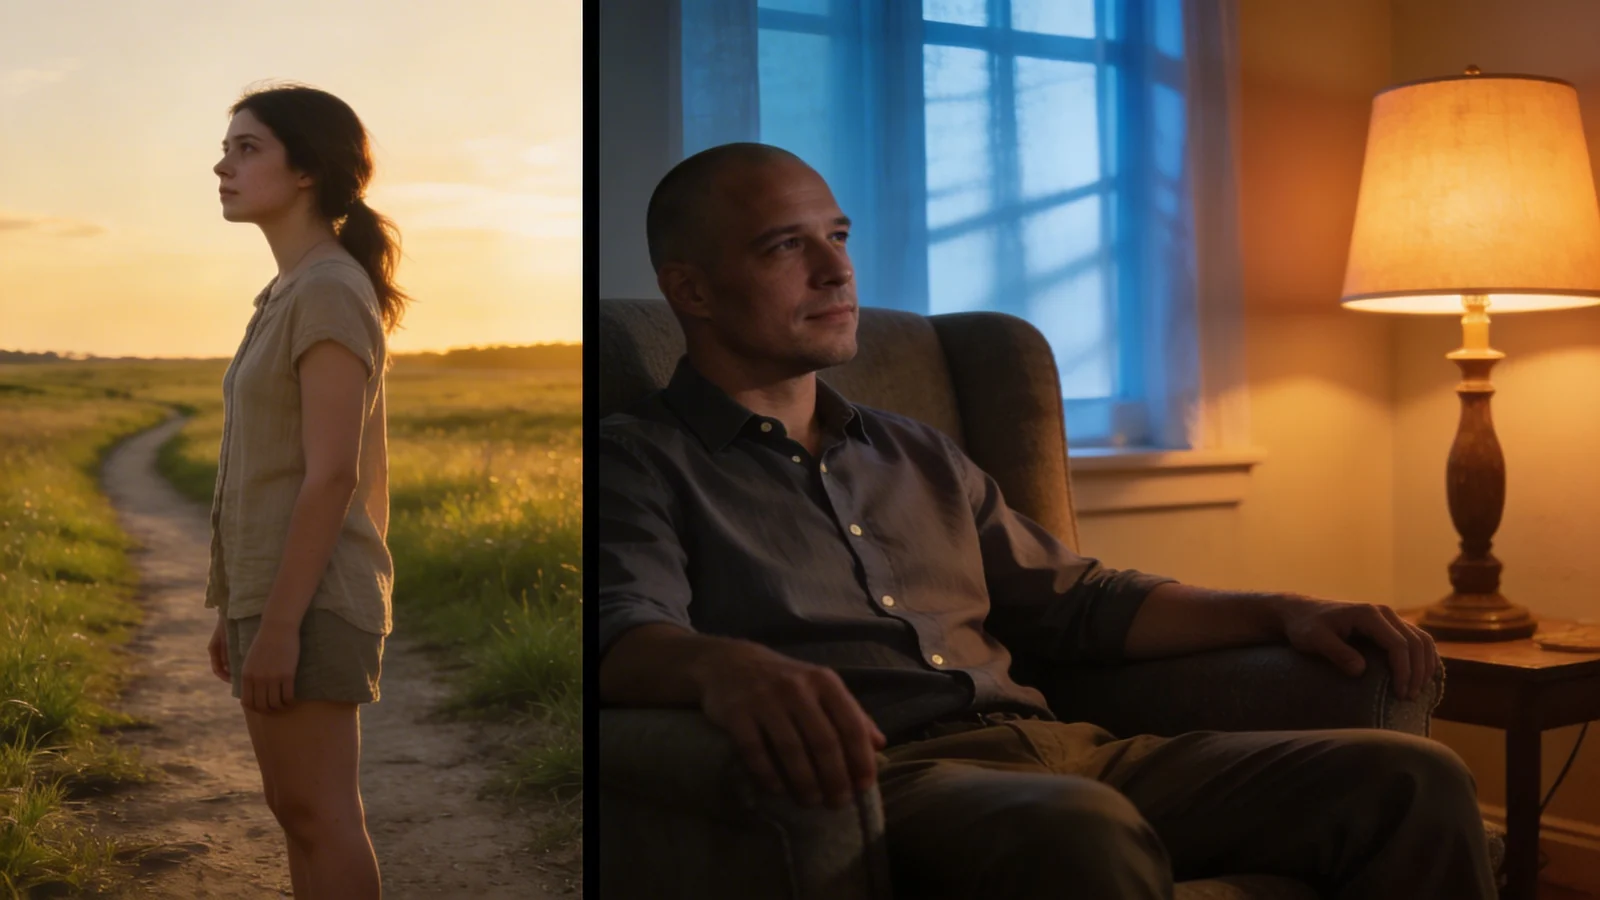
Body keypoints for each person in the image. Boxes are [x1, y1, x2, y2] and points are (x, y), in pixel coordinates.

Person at [598, 142, 1499, 899]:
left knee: (1413, 778)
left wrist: (1285, 610)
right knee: (1080, 830)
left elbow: (1083, 603)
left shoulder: (916, 452)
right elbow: (620, 631)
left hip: (1073, 751)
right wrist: (727, 667)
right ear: (695, 291)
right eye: (784, 247)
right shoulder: (637, 459)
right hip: (891, 783)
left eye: (837, 236)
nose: (838, 270)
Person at [206, 82, 407, 900]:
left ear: (306, 171)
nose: (222, 165)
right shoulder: (290, 290)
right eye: (227, 149)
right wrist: (238, 609)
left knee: (323, 814)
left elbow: (332, 474)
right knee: (293, 808)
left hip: (314, 596)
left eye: (247, 148)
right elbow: (271, 465)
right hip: (275, 590)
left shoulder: (327, 288)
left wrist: (280, 625)